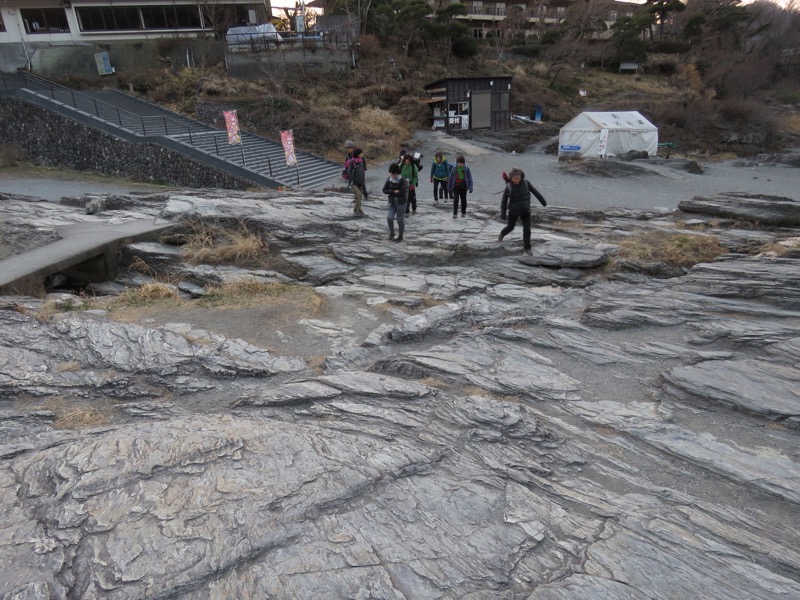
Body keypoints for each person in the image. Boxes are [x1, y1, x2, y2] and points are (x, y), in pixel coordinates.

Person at [498, 168, 547, 256]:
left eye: (518, 178)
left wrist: (543, 201)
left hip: (525, 211)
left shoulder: (526, 183)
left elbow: (535, 191)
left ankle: (527, 248)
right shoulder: (509, 186)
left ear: (521, 177)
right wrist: (503, 214)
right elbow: (504, 200)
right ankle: (502, 234)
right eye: (514, 179)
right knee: (510, 227)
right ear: (511, 178)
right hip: (513, 211)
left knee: (527, 229)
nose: (516, 180)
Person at [382, 163, 408, 243]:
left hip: (401, 202)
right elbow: (384, 190)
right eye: (391, 173)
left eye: (394, 174)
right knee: (389, 218)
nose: (393, 175)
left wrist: (393, 192)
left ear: (398, 173)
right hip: (392, 202)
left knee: (400, 220)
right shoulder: (388, 179)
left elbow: (403, 192)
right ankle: (392, 233)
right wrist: (393, 191)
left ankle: (400, 236)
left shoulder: (402, 180)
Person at [345, 148, 367, 215]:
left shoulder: (362, 161)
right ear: (358, 155)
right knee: (359, 195)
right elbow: (349, 172)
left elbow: (363, 172)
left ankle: (356, 210)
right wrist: (351, 181)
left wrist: (362, 182)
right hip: (353, 182)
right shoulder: (352, 161)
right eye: (361, 153)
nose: (362, 154)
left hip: (360, 182)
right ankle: (359, 210)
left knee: (358, 196)